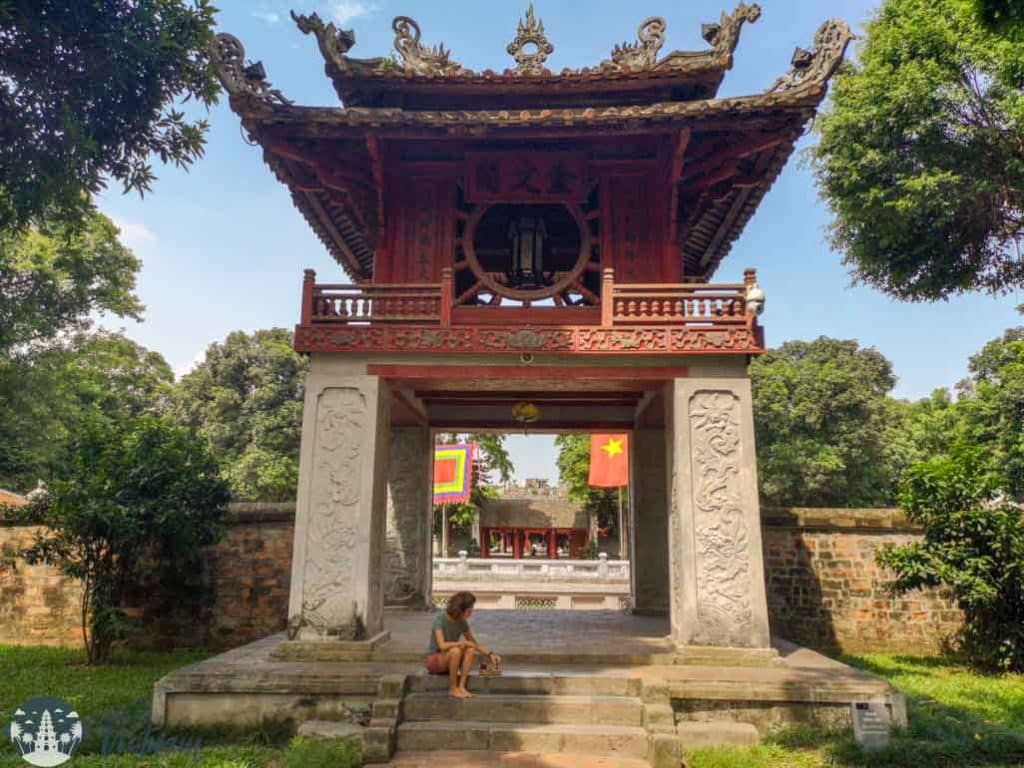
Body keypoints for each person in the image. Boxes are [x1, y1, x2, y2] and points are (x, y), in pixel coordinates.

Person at [424, 591, 494, 698]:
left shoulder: (462, 622)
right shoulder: (440, 620)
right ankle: (453, 688)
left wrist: (490, 655)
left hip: (451, 660)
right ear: (461, 610)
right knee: (456, 651)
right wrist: (461, 643)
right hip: (435, 660)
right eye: (469, 610)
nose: (471, 613)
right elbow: (442, 646)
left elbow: (474, 643)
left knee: (470, 649)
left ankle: (461, 687)